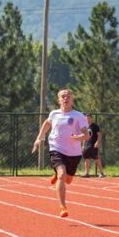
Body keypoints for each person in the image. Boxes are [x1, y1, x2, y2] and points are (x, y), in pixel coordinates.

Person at [31, 88, 90, 218]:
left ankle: (57, 175)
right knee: (62, 174)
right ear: (58, 100)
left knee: (67, 180)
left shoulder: (78, 116)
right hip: (56, 148)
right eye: (63, 96)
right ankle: (62, 206)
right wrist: (38, 139)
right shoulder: (54, 114)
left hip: (74, 153)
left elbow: (87, 135)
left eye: (68, 96)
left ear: (72, 99)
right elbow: (46, 124)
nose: (65, 98)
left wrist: (79, 137)